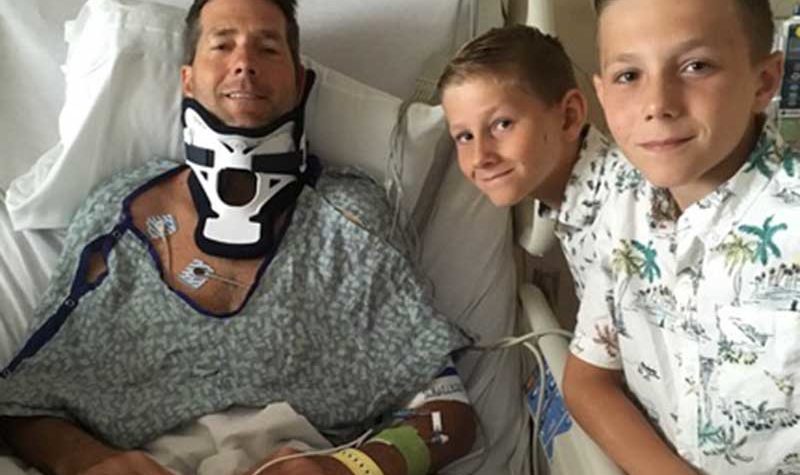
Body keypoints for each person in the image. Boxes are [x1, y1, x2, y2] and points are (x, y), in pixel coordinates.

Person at [0, 0, 477, 474]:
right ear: (187, 79)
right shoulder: (120, 217)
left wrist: (351, 468)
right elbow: (25, 405)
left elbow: (447, 415)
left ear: (300, 82)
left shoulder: (349, 223)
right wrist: (94, 463)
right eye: (222, 44)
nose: (244, 64)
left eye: (268, 49)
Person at [562, 0, 797, 474]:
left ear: (764, 81)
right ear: (602, 94)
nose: (658, 105)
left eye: (696, 66)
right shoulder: (623, 204)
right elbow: (587, 380)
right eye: (630, 76)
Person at [438, 25, 618, 301]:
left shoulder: (625, 205)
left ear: (569, 116)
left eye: (502, 124)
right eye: (465, 136)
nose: (480, 156)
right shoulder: (577, 207)